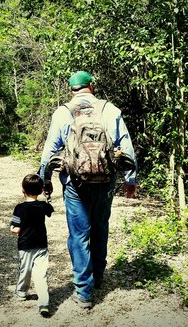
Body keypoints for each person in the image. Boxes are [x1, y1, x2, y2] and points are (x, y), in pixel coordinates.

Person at [39, 71, 137, 309]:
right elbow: (126, 145)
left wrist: (45, 179)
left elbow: (49, 150)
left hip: (74, 183)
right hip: (105, 181)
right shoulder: (109, 109)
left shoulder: (63, 112)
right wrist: (130, 179)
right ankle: (99, 277)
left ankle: (84, 293)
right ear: (91, 86)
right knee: (100, 227)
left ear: (70, 88)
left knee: (79, 235)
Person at [10, 174, 55, 317]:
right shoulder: (43, 206)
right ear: (41, 190)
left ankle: (22, 292)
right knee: (41, 274)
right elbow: (50, 211)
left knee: (26, 269)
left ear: (23, 190)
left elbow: (16, 228)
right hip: (41, 245)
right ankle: (44, 303)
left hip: (25, 245)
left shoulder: (19, 208)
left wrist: (12, 229)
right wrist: (47, 196)